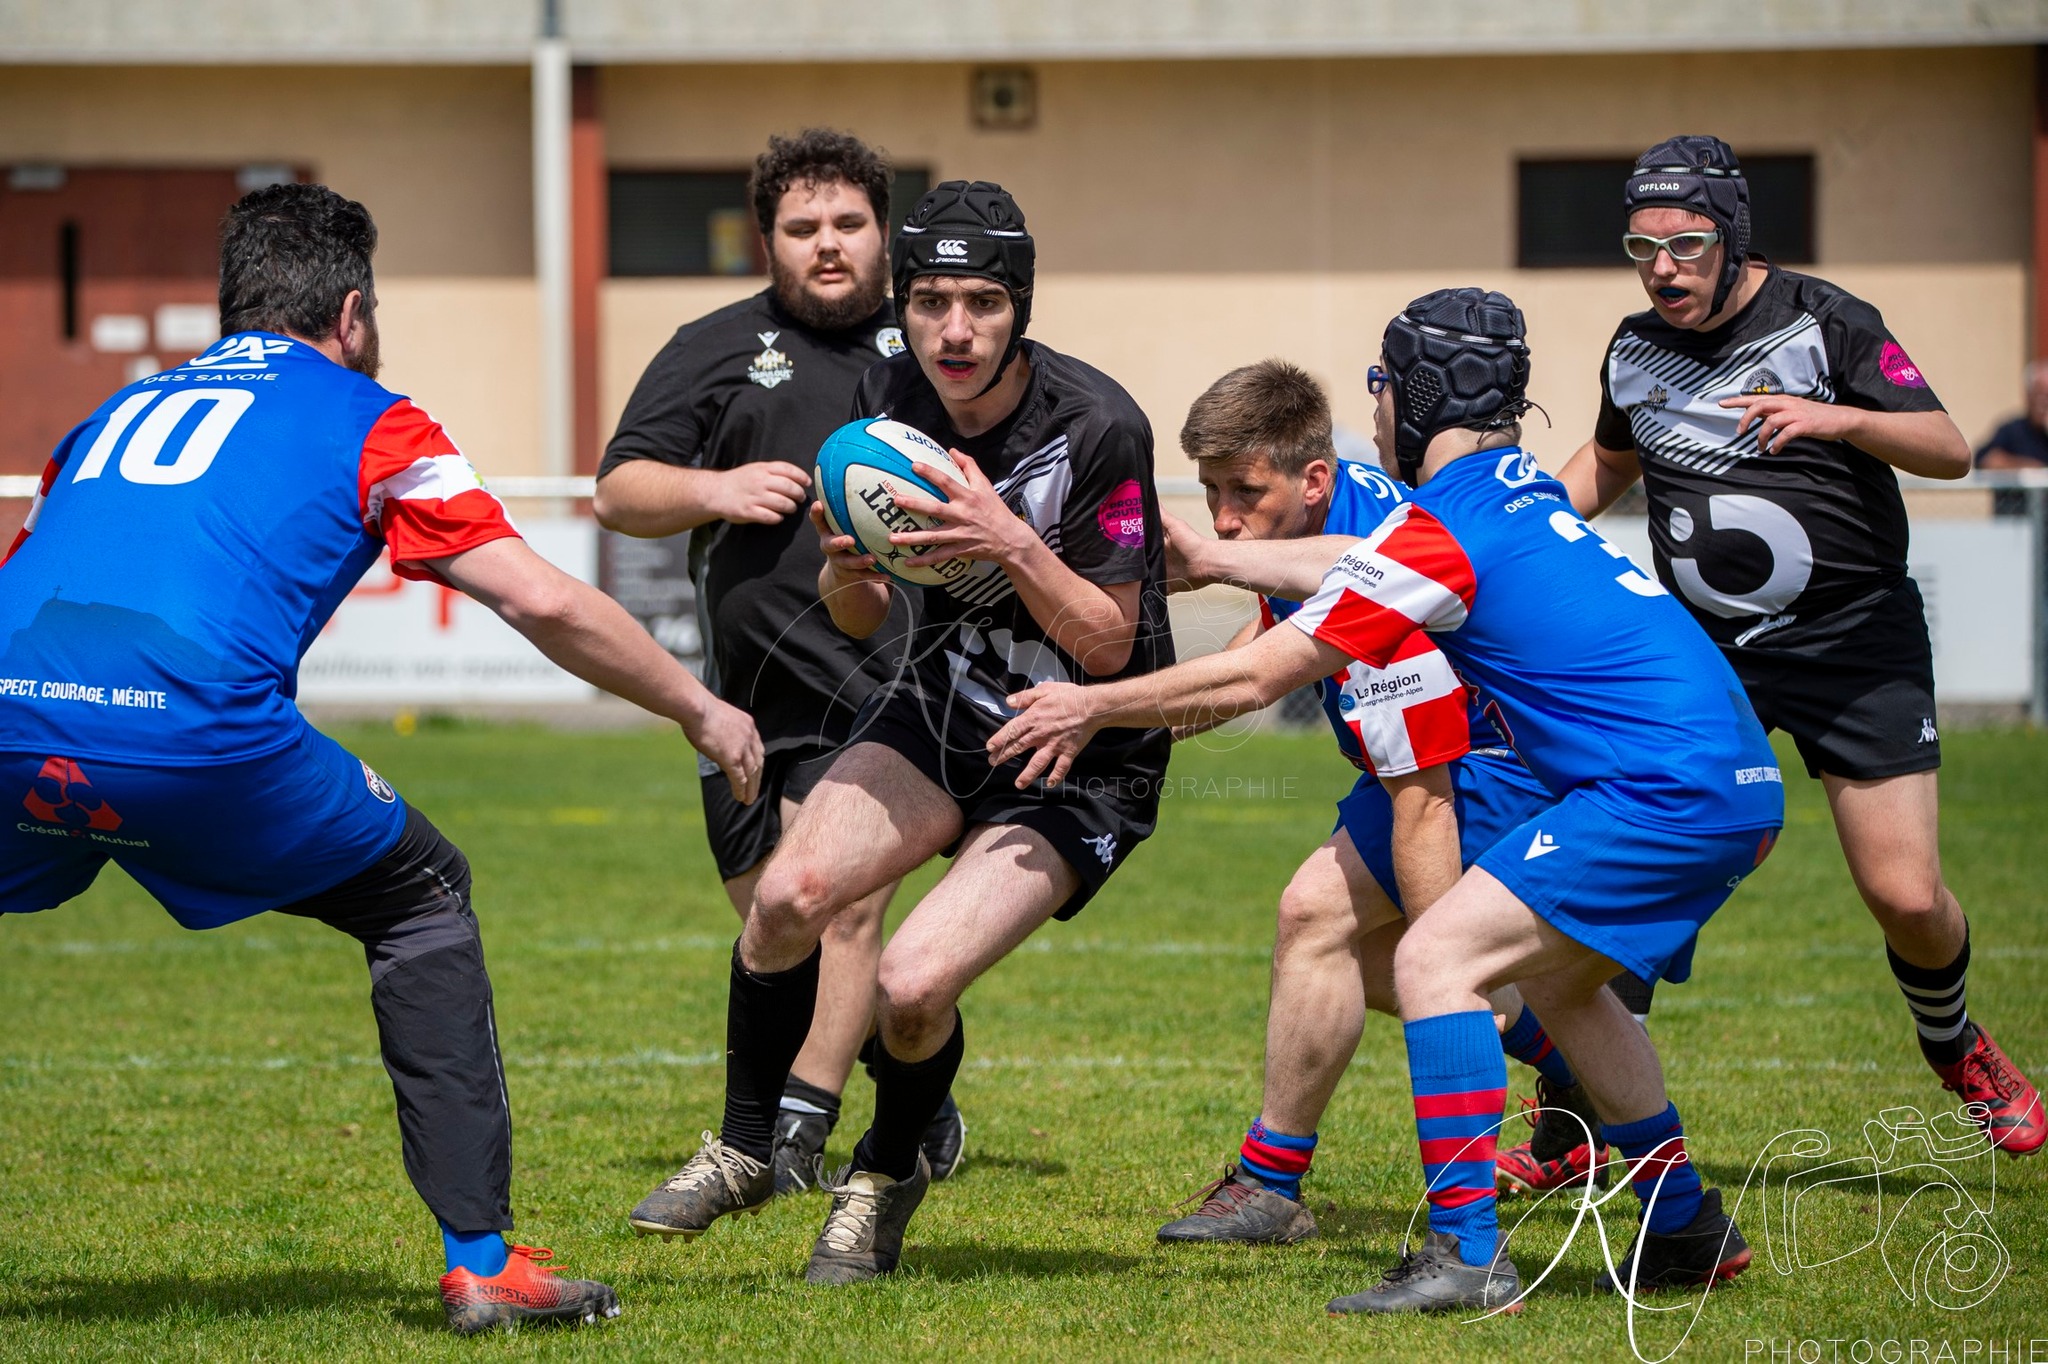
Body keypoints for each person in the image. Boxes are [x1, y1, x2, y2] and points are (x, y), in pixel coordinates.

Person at [0, 183, 764, 1334]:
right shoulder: (375, 419)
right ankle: (483, 1263)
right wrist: (701, 708)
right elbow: (542, 599)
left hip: (11, 717)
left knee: (67, 830)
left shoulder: (109, 413)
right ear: (352, 312)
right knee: (421, 897)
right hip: (193, 735)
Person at [992, 288, 1782, 1314]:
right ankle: (1683, 1226)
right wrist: (1219, 558)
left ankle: (1466, 1254)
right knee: (1556, 982)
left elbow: (1262, 679)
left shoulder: (1435, 530)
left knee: (1433, 958)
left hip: (1656, 788)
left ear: (1414, 396)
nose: (1371, 412)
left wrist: (1093, 705)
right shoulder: (1508, 493)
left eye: (1379, 388)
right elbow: (1356, 561)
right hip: (1730, 774)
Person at [623, 179, 1175, 1284]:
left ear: (1020, 304)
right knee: (787, 896)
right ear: (903, 304)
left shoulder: (1098, 425)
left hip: (1080, 745)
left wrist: (1005, 536)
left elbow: (1111, 645)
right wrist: (847, 565)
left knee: (912, 987)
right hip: (941, 703)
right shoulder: (888, 398)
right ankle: (745, 1147)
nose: (954, 331)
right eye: (929, 302)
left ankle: (881, 1175)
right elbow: (861, 616)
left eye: (981, 302)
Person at [1557, 135, 2042, 1155]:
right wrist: (1500, 534)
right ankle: (1576, 1128)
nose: (1661, 270)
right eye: (1641, 248)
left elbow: (1949, 449)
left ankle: (1953, 1041)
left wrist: (1837, 420)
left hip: (1853, 642)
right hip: (1706, 655)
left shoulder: (1826, 319)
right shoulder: (1632, 348)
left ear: (1732, 236)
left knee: (1904, 893)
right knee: (1643, 870)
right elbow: (1604, 465)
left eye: (1685, 245)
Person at [1148, 362, 1603, 1252]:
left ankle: (1271, 1184)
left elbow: (1421, 798)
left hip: (1489, 762)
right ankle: (1574, 1069)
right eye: (1211, 490)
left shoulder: (1377, 575)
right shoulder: (1324, 510)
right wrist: (1138, 728)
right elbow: (1266, 645)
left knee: (1319, 917)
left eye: (1245, 491)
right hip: (1449, 757)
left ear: (1312, 478)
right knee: (1359, 959)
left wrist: (1449, 959)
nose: (1225, 520)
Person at [595, 129, 962, 1200]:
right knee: (777, 921)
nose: (828, 243)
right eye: (803, 227)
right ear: (768, 240)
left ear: (883, 233)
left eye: (849, 222)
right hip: (744, 703)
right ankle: (918, 1078)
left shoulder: (931, 355)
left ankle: (783, 1140)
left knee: (841, 907)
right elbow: (619, 489)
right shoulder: (712, 346)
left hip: (886, 691)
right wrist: (713, 489)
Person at [1975, 360, 2048, 517]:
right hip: (2017, 519)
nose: (2044, 402)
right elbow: (1986, 460)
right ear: (2028, 396)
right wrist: (2032, 472)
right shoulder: (2012, 430)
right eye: (2040, 395)